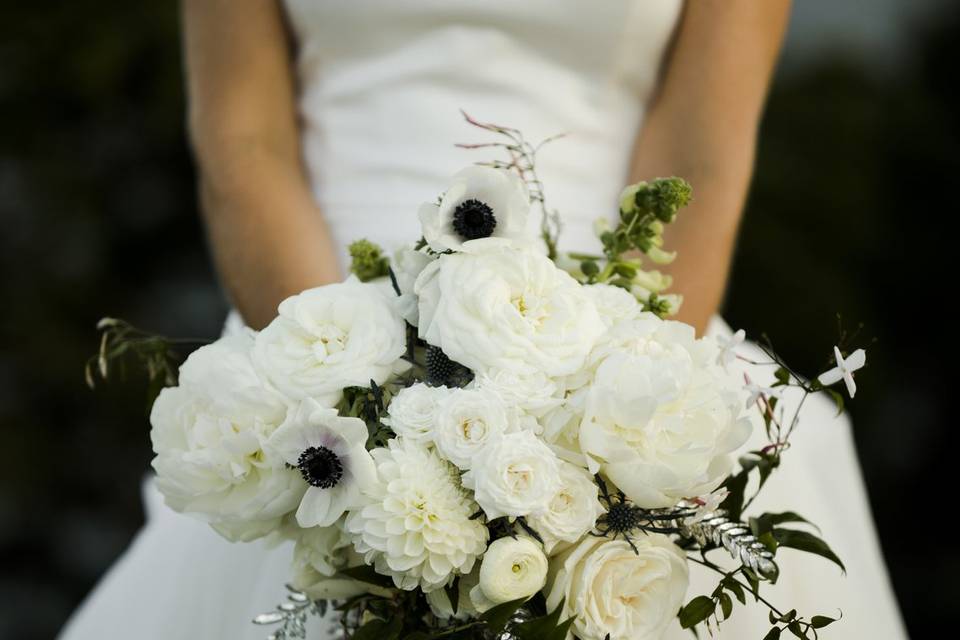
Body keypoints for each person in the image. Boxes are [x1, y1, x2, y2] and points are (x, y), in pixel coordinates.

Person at [60, 1, 907, 638]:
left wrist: (596, 427)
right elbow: (245, 144)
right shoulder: (326, 379)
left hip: (621, 324)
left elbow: (701, 151)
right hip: (317, 330)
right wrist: (351, 408)